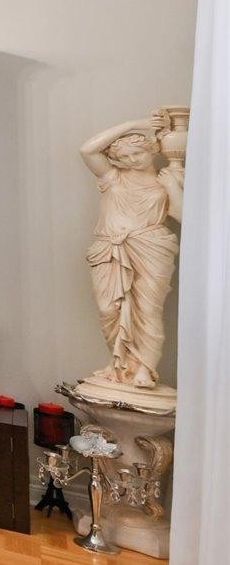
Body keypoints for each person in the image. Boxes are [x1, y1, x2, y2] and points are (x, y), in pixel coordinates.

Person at [80, 110, 186, 388]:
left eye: (136, 154)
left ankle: (145, 369)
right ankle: (121, 364)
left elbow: (183, 216)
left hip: (151, 248)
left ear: (151, 150)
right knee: (108, 309)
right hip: (110, 248)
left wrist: (173, 188)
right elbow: (88, 149)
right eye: (124, 157)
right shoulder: (113, 177)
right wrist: (134, 125)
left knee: (148, 309)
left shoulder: (164, 180)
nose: (131, 161)